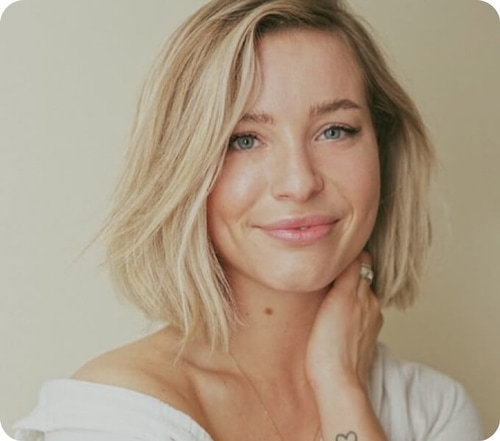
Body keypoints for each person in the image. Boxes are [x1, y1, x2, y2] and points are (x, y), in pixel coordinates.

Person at [12, 0, 484, 440]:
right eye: (245, 139)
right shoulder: (114, 417)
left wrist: (341, 386)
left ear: (382, 148)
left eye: (334, 130)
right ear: (183, 167)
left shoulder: (434, 410)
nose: (299, 182)